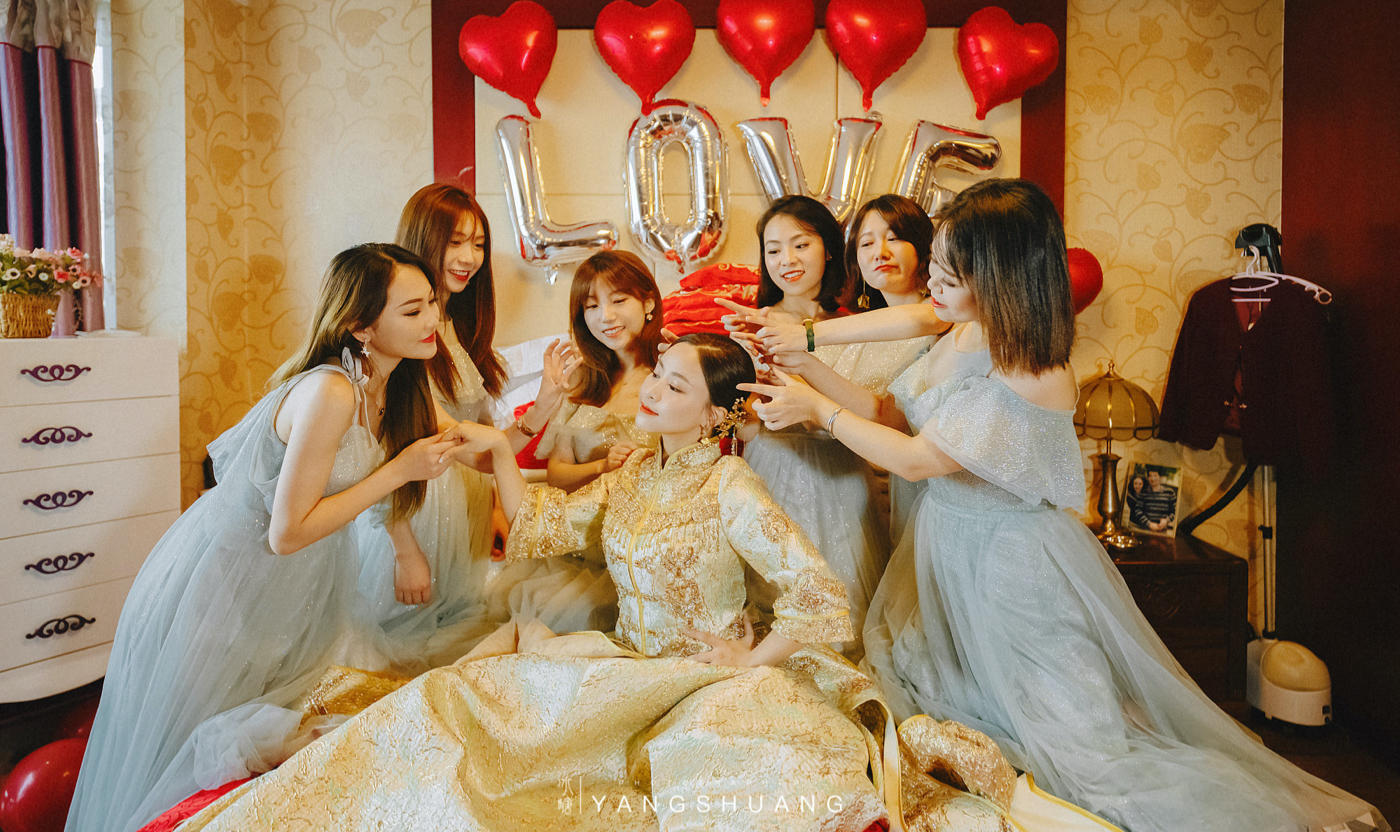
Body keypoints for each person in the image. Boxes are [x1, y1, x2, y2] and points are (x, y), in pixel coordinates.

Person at [172, 335, 1035, 832]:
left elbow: (819, 596)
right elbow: (545, 527)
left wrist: (750, 661)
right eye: (656, 374)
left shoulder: (730, 484)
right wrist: (502, 451)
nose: (651, 389)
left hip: (702, 677)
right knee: (455, 707)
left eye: (674, 384)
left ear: (717, 413)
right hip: (624, 660)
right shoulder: (632, 472)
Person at [741, 179, 1387, 832]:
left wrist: (817, 408)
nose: (929, 282)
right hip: (947, 545)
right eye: (935, 264)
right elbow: (892, 406)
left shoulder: (1031, 369)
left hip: (1009, 567)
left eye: (947, 272)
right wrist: (809, 350)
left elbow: (915, 460)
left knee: (1083, 758)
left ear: (997, 279)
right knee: (972, 709)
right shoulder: (962, 327)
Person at [65, 244, 461, 832]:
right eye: (412, 310)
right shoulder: (331, 392)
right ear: (361, 326)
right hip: (230, 583)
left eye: (431, 303)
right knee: (197, 745)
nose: (432, 320)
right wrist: (400, 471)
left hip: (297, 581)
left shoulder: (391, 383)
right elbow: (287, 532)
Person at [352, 183, 577, 663]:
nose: (469, 257)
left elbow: (481, 449)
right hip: (413, 510)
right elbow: (375, 452)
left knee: (445, 642)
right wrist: (403, 548)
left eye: (478, 244)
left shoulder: (454, 327)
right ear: (423, 238)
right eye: (455, 241)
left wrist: (542, 406)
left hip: (463, 511)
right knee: (400, 649)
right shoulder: (400, 330)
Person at [726, 195, 932, 656]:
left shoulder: (861, 325)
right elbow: (743, 420)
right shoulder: (758, 325)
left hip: (847, 475)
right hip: (773, 468)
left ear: (831, 251)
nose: (787, 259)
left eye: (801, 244)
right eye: (773, 249)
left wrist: (804, 364)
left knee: (839, 615)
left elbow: (879, 415)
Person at [537, 249, 662, 492]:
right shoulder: (579, 378)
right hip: (581, 510)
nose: (606, 316)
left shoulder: (672, 375)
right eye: (592, 306)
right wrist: (602, 466)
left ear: (648, 302)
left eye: (619, 301)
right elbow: (557, 475)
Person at [1129, 468, 1176, 532]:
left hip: (1163, 530)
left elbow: (1174, 511)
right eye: (1150, 476)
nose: (1152, 478)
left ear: (1160, 477)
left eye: (1155, 475)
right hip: (1145, 530)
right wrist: (1149, 524)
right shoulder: (1143, 492)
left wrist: (1166, 520)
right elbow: (1138, 510)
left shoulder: (1170, 492)